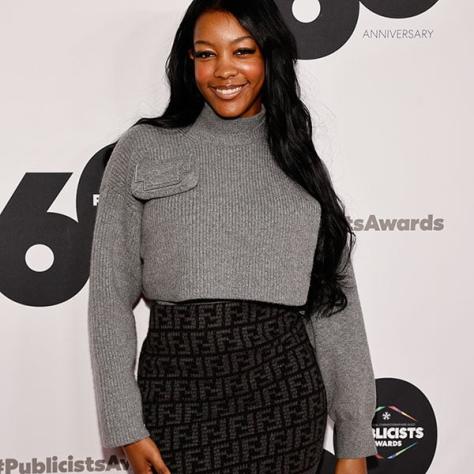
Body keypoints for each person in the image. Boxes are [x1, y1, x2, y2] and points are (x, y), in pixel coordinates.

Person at [87, 1, 377, 473]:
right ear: (189, 60)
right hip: (176, 397)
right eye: (206, 54)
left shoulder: (299, 161)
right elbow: (109, 297)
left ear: (270, 57)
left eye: (242, 51)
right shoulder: (143, 148)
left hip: (284, 399)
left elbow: (334, 307)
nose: (224, 71)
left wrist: (352, 441)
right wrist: (125, 422)